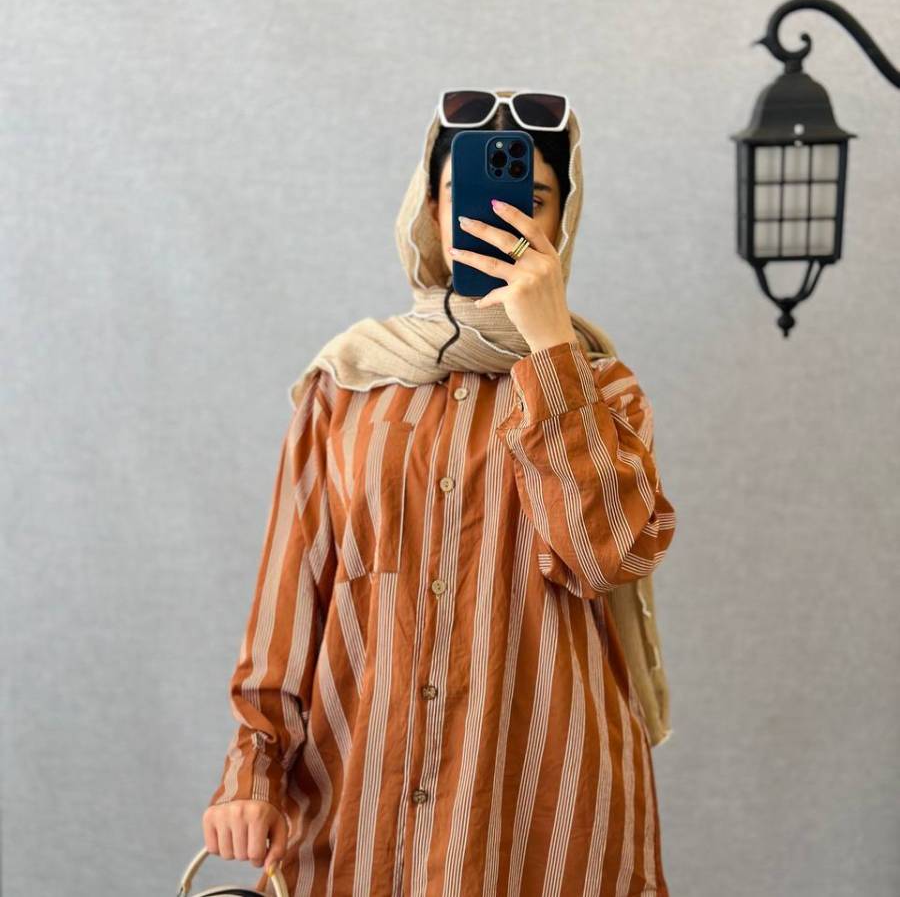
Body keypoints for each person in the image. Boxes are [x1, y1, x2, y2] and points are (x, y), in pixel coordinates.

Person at [201, 88, 677, 897]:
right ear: (431, 210)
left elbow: (611, 554)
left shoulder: (603, 391)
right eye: (471, 195)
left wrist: (550, 348)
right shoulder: (350, 383)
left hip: (545, 816)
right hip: (358, 803)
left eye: (533, 200)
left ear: (563, 223)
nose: (505, 219)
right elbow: (291, 597)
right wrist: (254, 770)